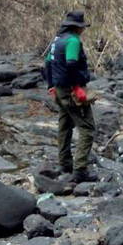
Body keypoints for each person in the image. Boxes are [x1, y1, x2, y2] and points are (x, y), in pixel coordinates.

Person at [45, 10, 97, 183]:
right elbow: (72, 62)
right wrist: (77, 86)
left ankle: (64, 164)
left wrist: (51, 85)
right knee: (87, 128)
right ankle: (80, 170)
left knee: (65, 126)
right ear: (77, 27)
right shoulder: (73, 41)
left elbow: (47, 63)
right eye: (82, 27)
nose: (83, 30)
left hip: (59, 89)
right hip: (70, 89)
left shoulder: (57, 40)